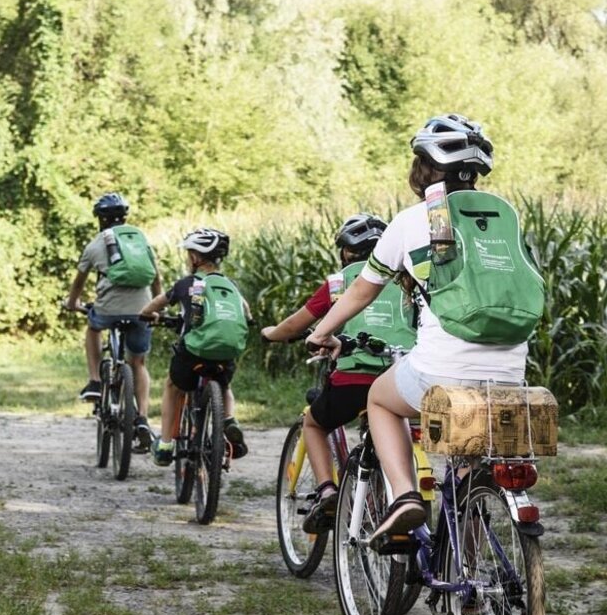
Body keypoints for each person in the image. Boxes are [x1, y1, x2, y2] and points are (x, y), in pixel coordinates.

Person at [307, 114, 539, 542]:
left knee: (380, 400)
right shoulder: (504, 215)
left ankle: (405, 497)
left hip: (442, 369)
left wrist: (321, 331)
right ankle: (467, 584)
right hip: (510, 371)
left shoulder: (414, 219)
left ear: (425, 168)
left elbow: (360, 292)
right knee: (467, 469)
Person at [262, 213, 417, 534]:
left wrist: (271, 333)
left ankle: (327, 491)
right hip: (404, 377)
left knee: (313, 422)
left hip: (354, 380)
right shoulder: (407, 279)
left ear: (346, 252)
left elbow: (296, 323)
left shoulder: (340, 282)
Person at [139, 228, 252, 466]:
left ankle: (166, 444)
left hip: (194, 353)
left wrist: (148, 315)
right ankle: (230, 420)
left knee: (173, 385)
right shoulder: (230, 286)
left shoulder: (186, 284)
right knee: (224, 384)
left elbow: (155, 305)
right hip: (227, 353)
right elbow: (247, 313)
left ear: (195, 258)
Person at [65, 192, 159, 451]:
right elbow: (155, 276)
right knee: (138, 362)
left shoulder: (96, 244)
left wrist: (73, 303)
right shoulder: (140, 240)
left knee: (94, 326)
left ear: (100, 220)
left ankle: (95, 380)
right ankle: (141, 417)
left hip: (108, 309)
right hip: (143, 308)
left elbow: (79, 282)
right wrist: (156, 304)